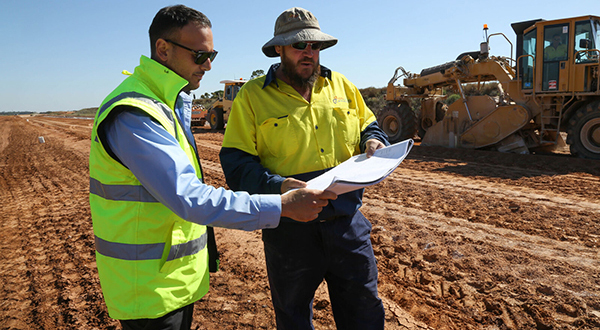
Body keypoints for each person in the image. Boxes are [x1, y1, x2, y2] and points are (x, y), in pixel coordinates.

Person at [89, 5, 336, 330]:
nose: (207, 65)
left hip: (168, 283)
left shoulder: (166, 103)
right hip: (147, 292)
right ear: (163, 50)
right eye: (199, 55)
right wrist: (281, 205)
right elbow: (190, 198)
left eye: (212, 55)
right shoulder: (135, 114)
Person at [219, 7, 389, 330]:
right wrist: (281, 189)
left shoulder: (343, 86)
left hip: (347, 225)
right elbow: (237, 165)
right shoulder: (252, 98)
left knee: (365, 315)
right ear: (279, 49)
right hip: (289, 232)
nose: (309, 53)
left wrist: (373, 140)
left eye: (315, 46)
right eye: (299, 46)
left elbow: (370, 125)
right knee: (293, 319)